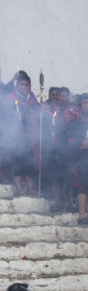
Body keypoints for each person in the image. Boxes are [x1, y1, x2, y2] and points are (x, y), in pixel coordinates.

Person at [5, 71, 40, 196]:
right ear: (17, 86)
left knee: (30, 162)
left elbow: (38, 113)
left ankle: (30, 189)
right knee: (18, 162)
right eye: (22, 84)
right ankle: (19, 189)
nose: (25, 87)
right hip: (16, 137)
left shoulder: (32, 98)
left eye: (27, 85)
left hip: (30, 136)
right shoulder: (11, 98)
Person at [65, 94, 88, 225]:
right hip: (82, 158)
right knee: (82, 186)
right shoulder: (75, 122)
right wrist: (81, 142)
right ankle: (82, 215)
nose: (87, 106)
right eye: (85, 103)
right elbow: (69, 141)